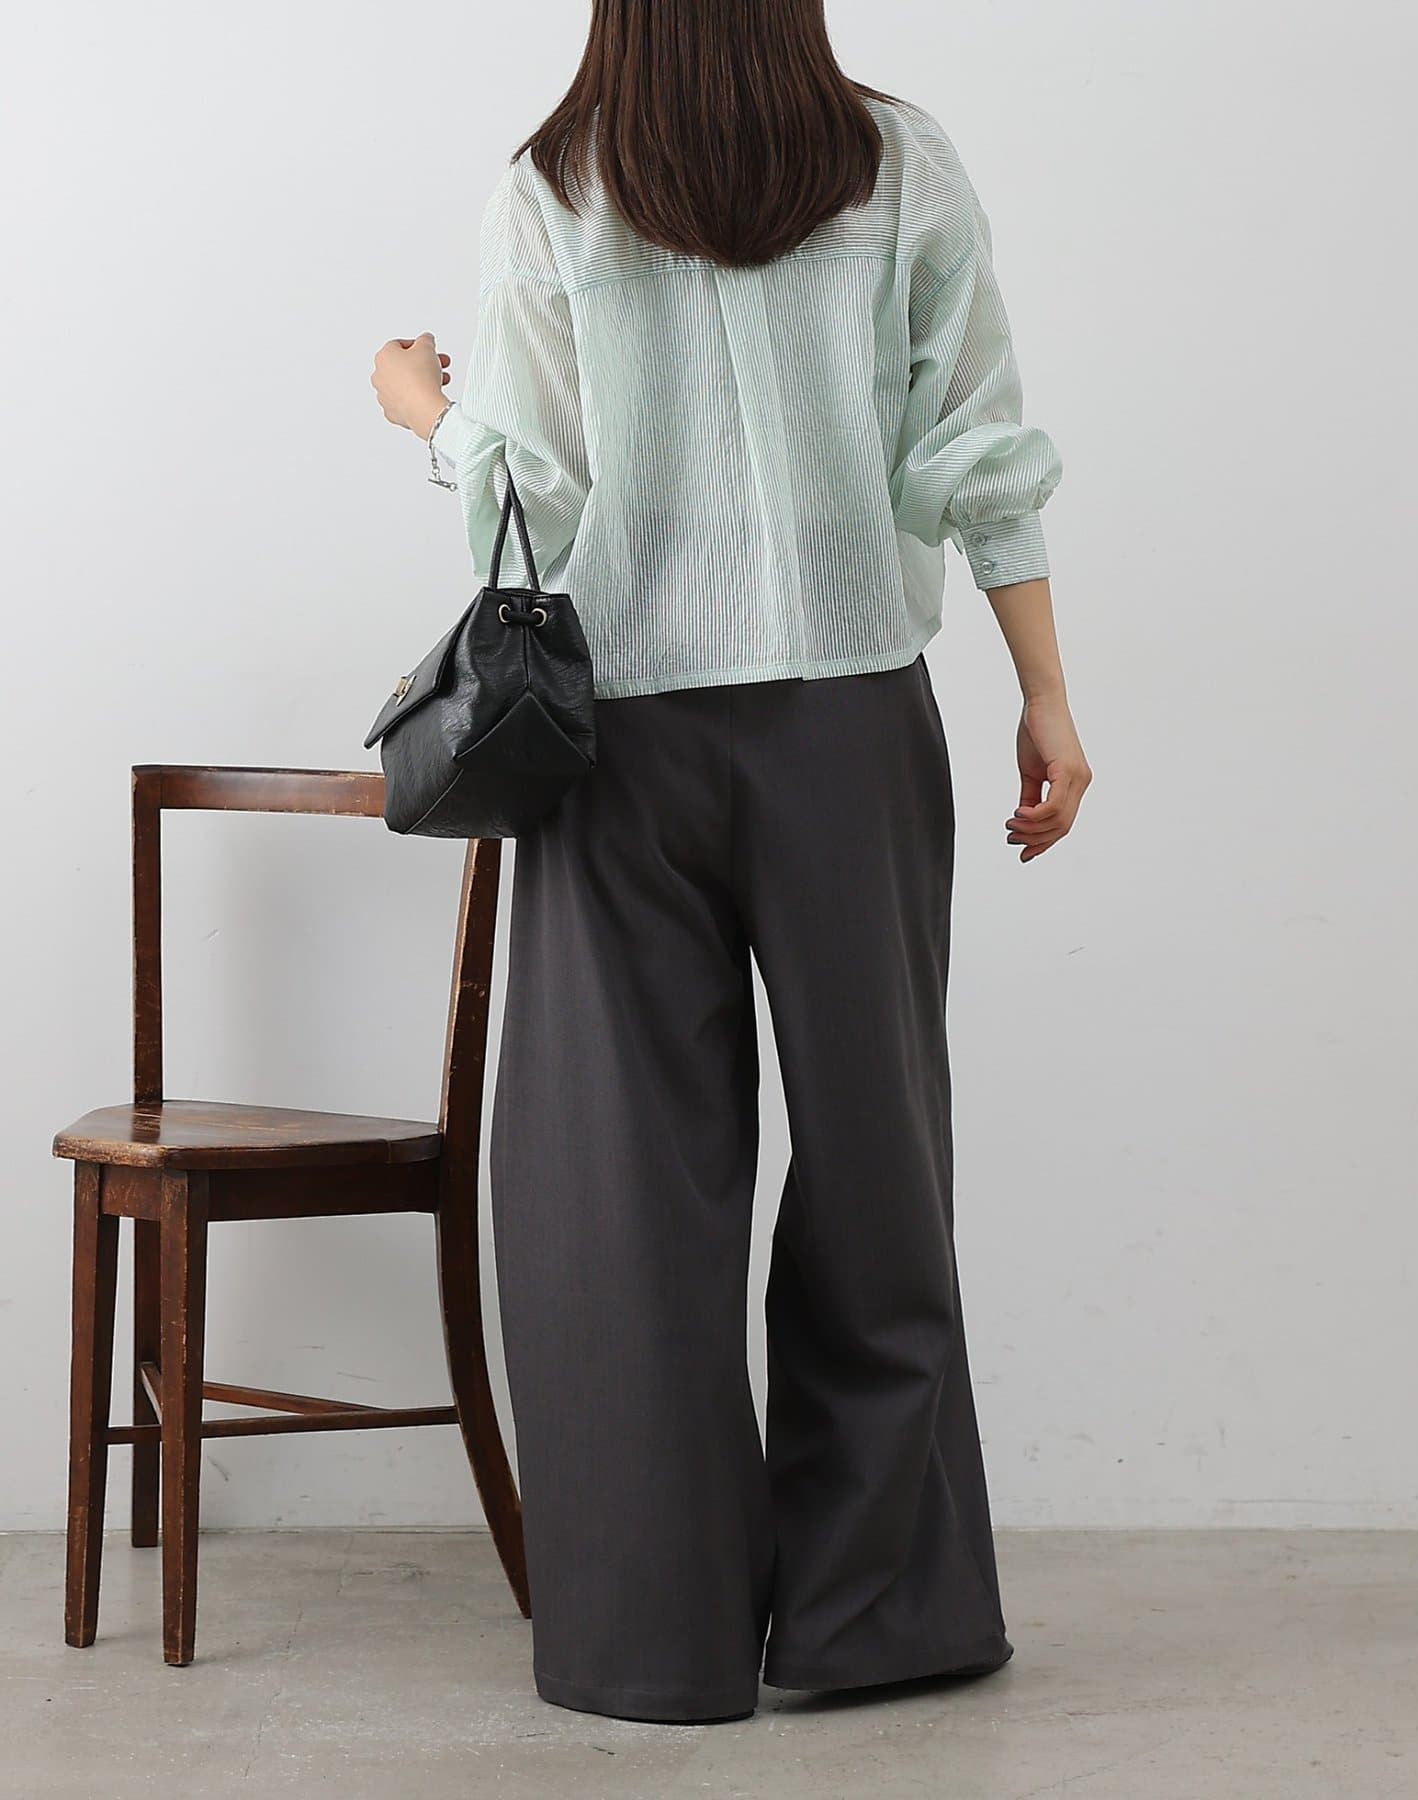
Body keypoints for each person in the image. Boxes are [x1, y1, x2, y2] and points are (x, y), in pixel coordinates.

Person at [370, 0, 1090, 1727]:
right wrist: (1047, 692)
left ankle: (650, 1638)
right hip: (852, 724)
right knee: (880, 1168)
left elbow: (536, 495)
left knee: (622, 1194)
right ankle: (876, 1621)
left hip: (620, 743)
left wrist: (424, 416)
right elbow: (971, 439)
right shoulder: (893, 159)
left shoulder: (553, 185)